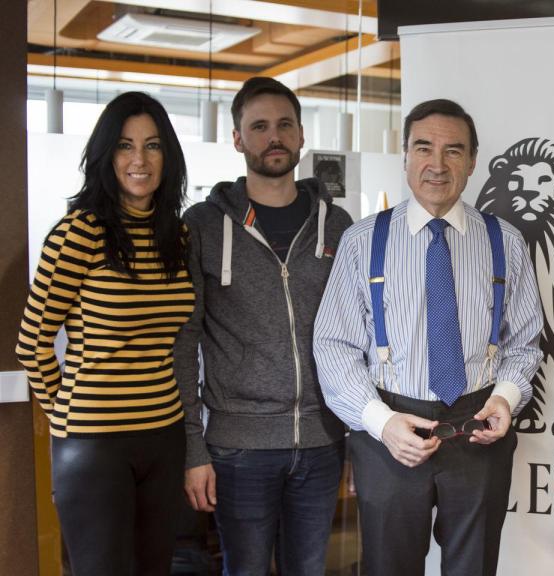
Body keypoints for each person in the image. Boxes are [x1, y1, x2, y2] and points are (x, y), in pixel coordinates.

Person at [313, 98, 543, 576]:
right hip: (389, 428)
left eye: (453, 151)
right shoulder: (362, 241)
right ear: (404, 155)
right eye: (424, 148)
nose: (437, 165)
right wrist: (380, 421)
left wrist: (504, 399)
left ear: (473, 160)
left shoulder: (505, 241)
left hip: (478, 426)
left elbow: (524, 342)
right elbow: (333, 346)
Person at [174, 76, 352, 575]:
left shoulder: (337, 226)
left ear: (300, 135)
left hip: (322, 441)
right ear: (237, 139)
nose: (273, 136)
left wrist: (359, 435)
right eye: (258, 126)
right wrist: (193, 447)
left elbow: (359, 336)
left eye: (284, 125)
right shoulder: (204, 225)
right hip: (237, 447)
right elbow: (184, 342)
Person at [15, 91, 193, 575]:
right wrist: (68, 416)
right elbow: (32, 344)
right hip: (94, 442)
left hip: (163, 433)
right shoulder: (80, 233)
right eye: (124, 145)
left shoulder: (176, 236)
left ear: (168, 156)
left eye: (152, 145)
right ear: (104, 155)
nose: (139, 159)